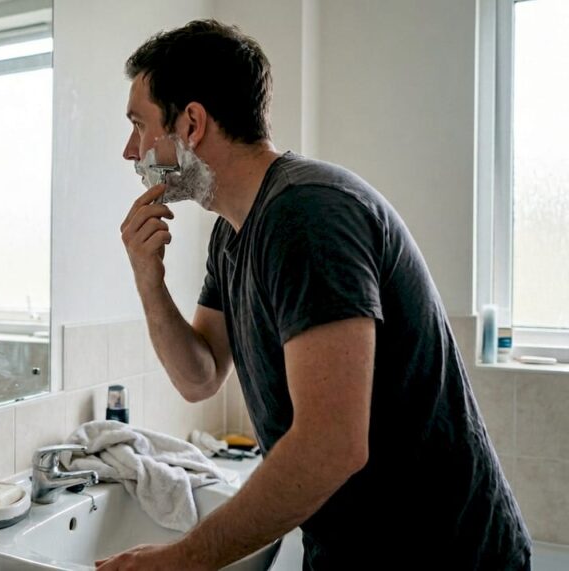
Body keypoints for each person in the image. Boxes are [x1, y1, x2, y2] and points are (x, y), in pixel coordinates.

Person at [101, 20, 531, 570]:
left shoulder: (308, 214)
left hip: (443, 556)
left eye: (139, 125)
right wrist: (148, 280)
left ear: (191, 123)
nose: (129, 150)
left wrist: (186, 557)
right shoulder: (233, 234)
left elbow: (332, 445)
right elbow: (200, 376)